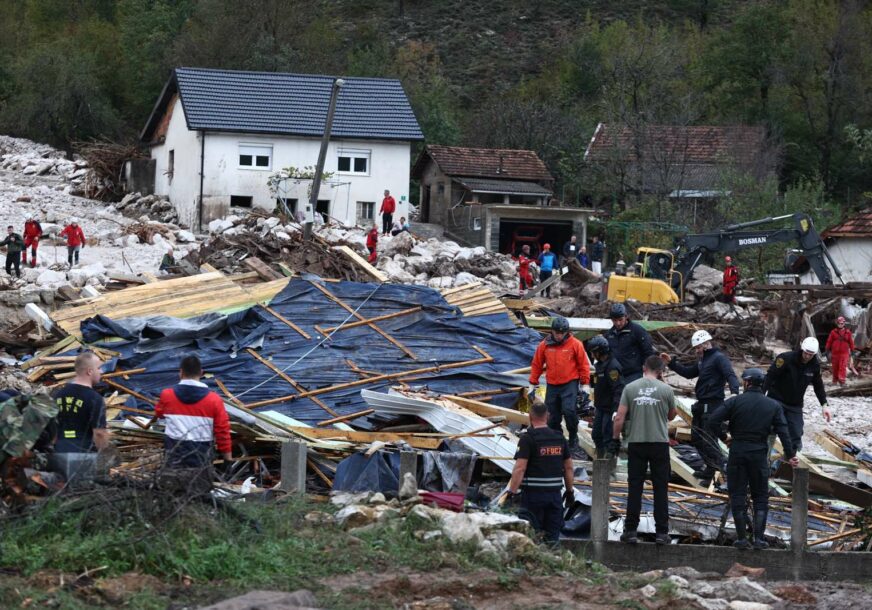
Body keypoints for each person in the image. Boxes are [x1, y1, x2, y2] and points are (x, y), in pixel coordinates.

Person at [707, 368, 798, 550]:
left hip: (738, 452)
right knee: (761, 498)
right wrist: (791, 455)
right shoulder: (773, 405)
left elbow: (712, 421)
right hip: (759, 454)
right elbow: (784, 432)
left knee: (738, 496)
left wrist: (725, 438)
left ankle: (742, 539)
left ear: (747, 383)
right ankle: (758, 539)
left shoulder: (735, 402)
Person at [611, 355, 676, 545]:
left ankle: (630, 530)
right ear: (661, 371)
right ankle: (662, 533)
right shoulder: (666, 390)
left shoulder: (630, 388)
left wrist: (615, 440)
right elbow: (671, 416)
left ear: (643, 367)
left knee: (635, 487)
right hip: (659, 444)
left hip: (636, 442)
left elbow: (619, 417)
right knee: (660, 488)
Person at [660, 329, 739, 482]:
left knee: (709, 441)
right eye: (696, 348)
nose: (696, 351)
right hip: (701, 405)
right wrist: (671, 363)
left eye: (698, 348)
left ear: (706, 344)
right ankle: (710, 469)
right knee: (697, 438)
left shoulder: (718, 358)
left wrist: (735, 393)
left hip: (713, 405)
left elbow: (730, 374)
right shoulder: (704, 360)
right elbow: (688, 373)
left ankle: (725, 471)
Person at [507, 400, 574, 545]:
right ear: (547, 416)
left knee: (532, 539)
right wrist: (569, 492)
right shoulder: (559, 438)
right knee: (552, 540)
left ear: (530, 417)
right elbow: (568, 468)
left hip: (533, 498)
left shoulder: (527, 438)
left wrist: (511, 493)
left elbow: (520, 468)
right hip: (554, 497)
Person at [154, 355, 232, 468]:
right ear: (201, 373)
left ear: (180, 373)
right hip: (201, 457)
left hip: (174, 454)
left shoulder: (167, 395)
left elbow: (159, 413)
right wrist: (227, 459)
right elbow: (222, 431)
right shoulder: (214, 400)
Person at [529, 316, 591, 453]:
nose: (559, 336)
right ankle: (557, 440)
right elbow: (537, 364)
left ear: (566, 332)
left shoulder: (575, 344)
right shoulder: (545, 345)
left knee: (569, 411)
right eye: (556, 333)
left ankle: (573, 437)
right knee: (552, 416)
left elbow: (583, 365)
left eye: (562, 333)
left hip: (569, 383)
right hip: (552, 384)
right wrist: (532, 384)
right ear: (552, 331)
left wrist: (585, 384)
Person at [763, 337, 831, 452]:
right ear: (802, 349)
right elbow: (770, 376)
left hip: (795, 405)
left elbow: (818, 386)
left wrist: (824, 404)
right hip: (776, 399)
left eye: (811, 354)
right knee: (770, 428)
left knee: (796, 433)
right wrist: (759, 395)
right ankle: (764, 459)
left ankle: (787, 462)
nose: (808, 356)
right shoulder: (785, 359)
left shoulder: (814, 366)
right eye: (806, 353)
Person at [51, 351, 110, 453]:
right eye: (99, 368)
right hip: (83, 457)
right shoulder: (95, 399)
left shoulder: (58, 395)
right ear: (90, 371)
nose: (101, 372)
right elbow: (99, 434)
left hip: (59, 454)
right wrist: (104, 456)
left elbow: (52, 430)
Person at [588, 335, 625, 458]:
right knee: (597, 435)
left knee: (607, 436)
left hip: (609, 409)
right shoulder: (599, 365)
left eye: (593, 353)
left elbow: (618, 389)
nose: (592, 356)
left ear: (600, 352)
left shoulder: (612, 367)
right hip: (600, 407)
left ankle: (609, 465)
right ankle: (600, 459)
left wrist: (616, 410)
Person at [606, 302, 655, 382]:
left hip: (634, 374)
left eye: (620, 320)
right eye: (615, 320)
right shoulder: (609, 334)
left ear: (626, 316)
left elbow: (648, 351)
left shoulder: (637, 331)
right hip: (616, 374)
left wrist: (648, 370)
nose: (618, 323)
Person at [826, 316, 854, 385]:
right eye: (839, 323)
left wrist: (852, 350)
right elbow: (829, 341)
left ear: (844, 323)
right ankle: (834, 381)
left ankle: (842, 381)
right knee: (835, 367)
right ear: (837, 323)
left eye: (842, 323)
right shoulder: (833, 332)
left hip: (844, 354)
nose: (840, 324)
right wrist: (827, 349)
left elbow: (851, 342)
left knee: (842, 367)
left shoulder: (848, 332)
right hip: (835, 353)